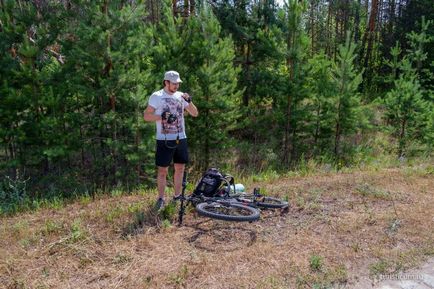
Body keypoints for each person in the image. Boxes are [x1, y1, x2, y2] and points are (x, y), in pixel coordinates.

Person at [143, 71, 198, 210]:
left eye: (178, 83)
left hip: (181, 137)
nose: (177, 86)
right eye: (174, 83)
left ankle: (177, 196)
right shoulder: (157, 96)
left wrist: (189, 102)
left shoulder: (181, 96)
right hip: (164, 139)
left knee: (180, 168)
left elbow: (195, 113)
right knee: (163, 170)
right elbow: (146, 116)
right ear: (166, 82)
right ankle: (161, 199)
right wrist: (161, 117)